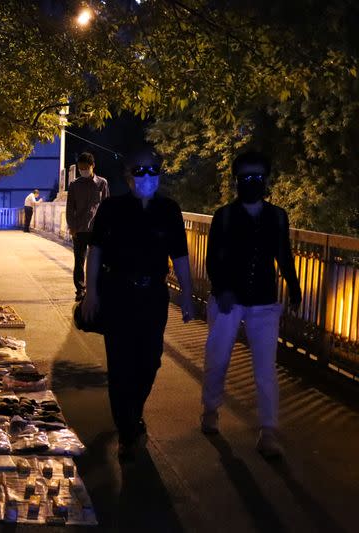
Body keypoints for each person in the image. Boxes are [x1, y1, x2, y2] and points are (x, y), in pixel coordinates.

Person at [80, 146, 195, 462]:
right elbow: (96, 252)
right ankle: (128, 433)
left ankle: (133, 414)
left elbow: (180, 256)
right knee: (120, 366)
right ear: (128, 177)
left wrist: (187, 295)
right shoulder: (112, 209)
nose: (146, 177)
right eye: (139, 171)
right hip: (118, 293)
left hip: (153, 296)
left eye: (152, 171)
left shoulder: (169, 210)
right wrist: (91, 294)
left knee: (150, 361)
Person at [201, 151, 302, 459]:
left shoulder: (277, 216)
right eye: (246, 178)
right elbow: (213, 258)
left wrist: (294, 287)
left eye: (258, 177)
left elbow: (283, 254)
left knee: (265, 369)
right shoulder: (224, 216)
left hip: (263, 300)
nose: (252, 183)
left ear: (266, 180)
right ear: (236, 181)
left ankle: (268, 430)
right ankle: (210, 409)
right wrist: (222, 289)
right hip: (228, 300)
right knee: (217, 358)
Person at [67, 152, 110, 301]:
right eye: (80, 168)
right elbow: (69, 207)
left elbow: (106, 206)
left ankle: (95, 289)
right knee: (79, 261)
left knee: (97, 261)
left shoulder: (102, 183)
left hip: (96, 229)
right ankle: (80, 290)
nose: (83, 170)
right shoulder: (74, 185)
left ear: (93, 166)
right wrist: (71, 226)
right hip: (79, 229)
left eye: (85, 167)